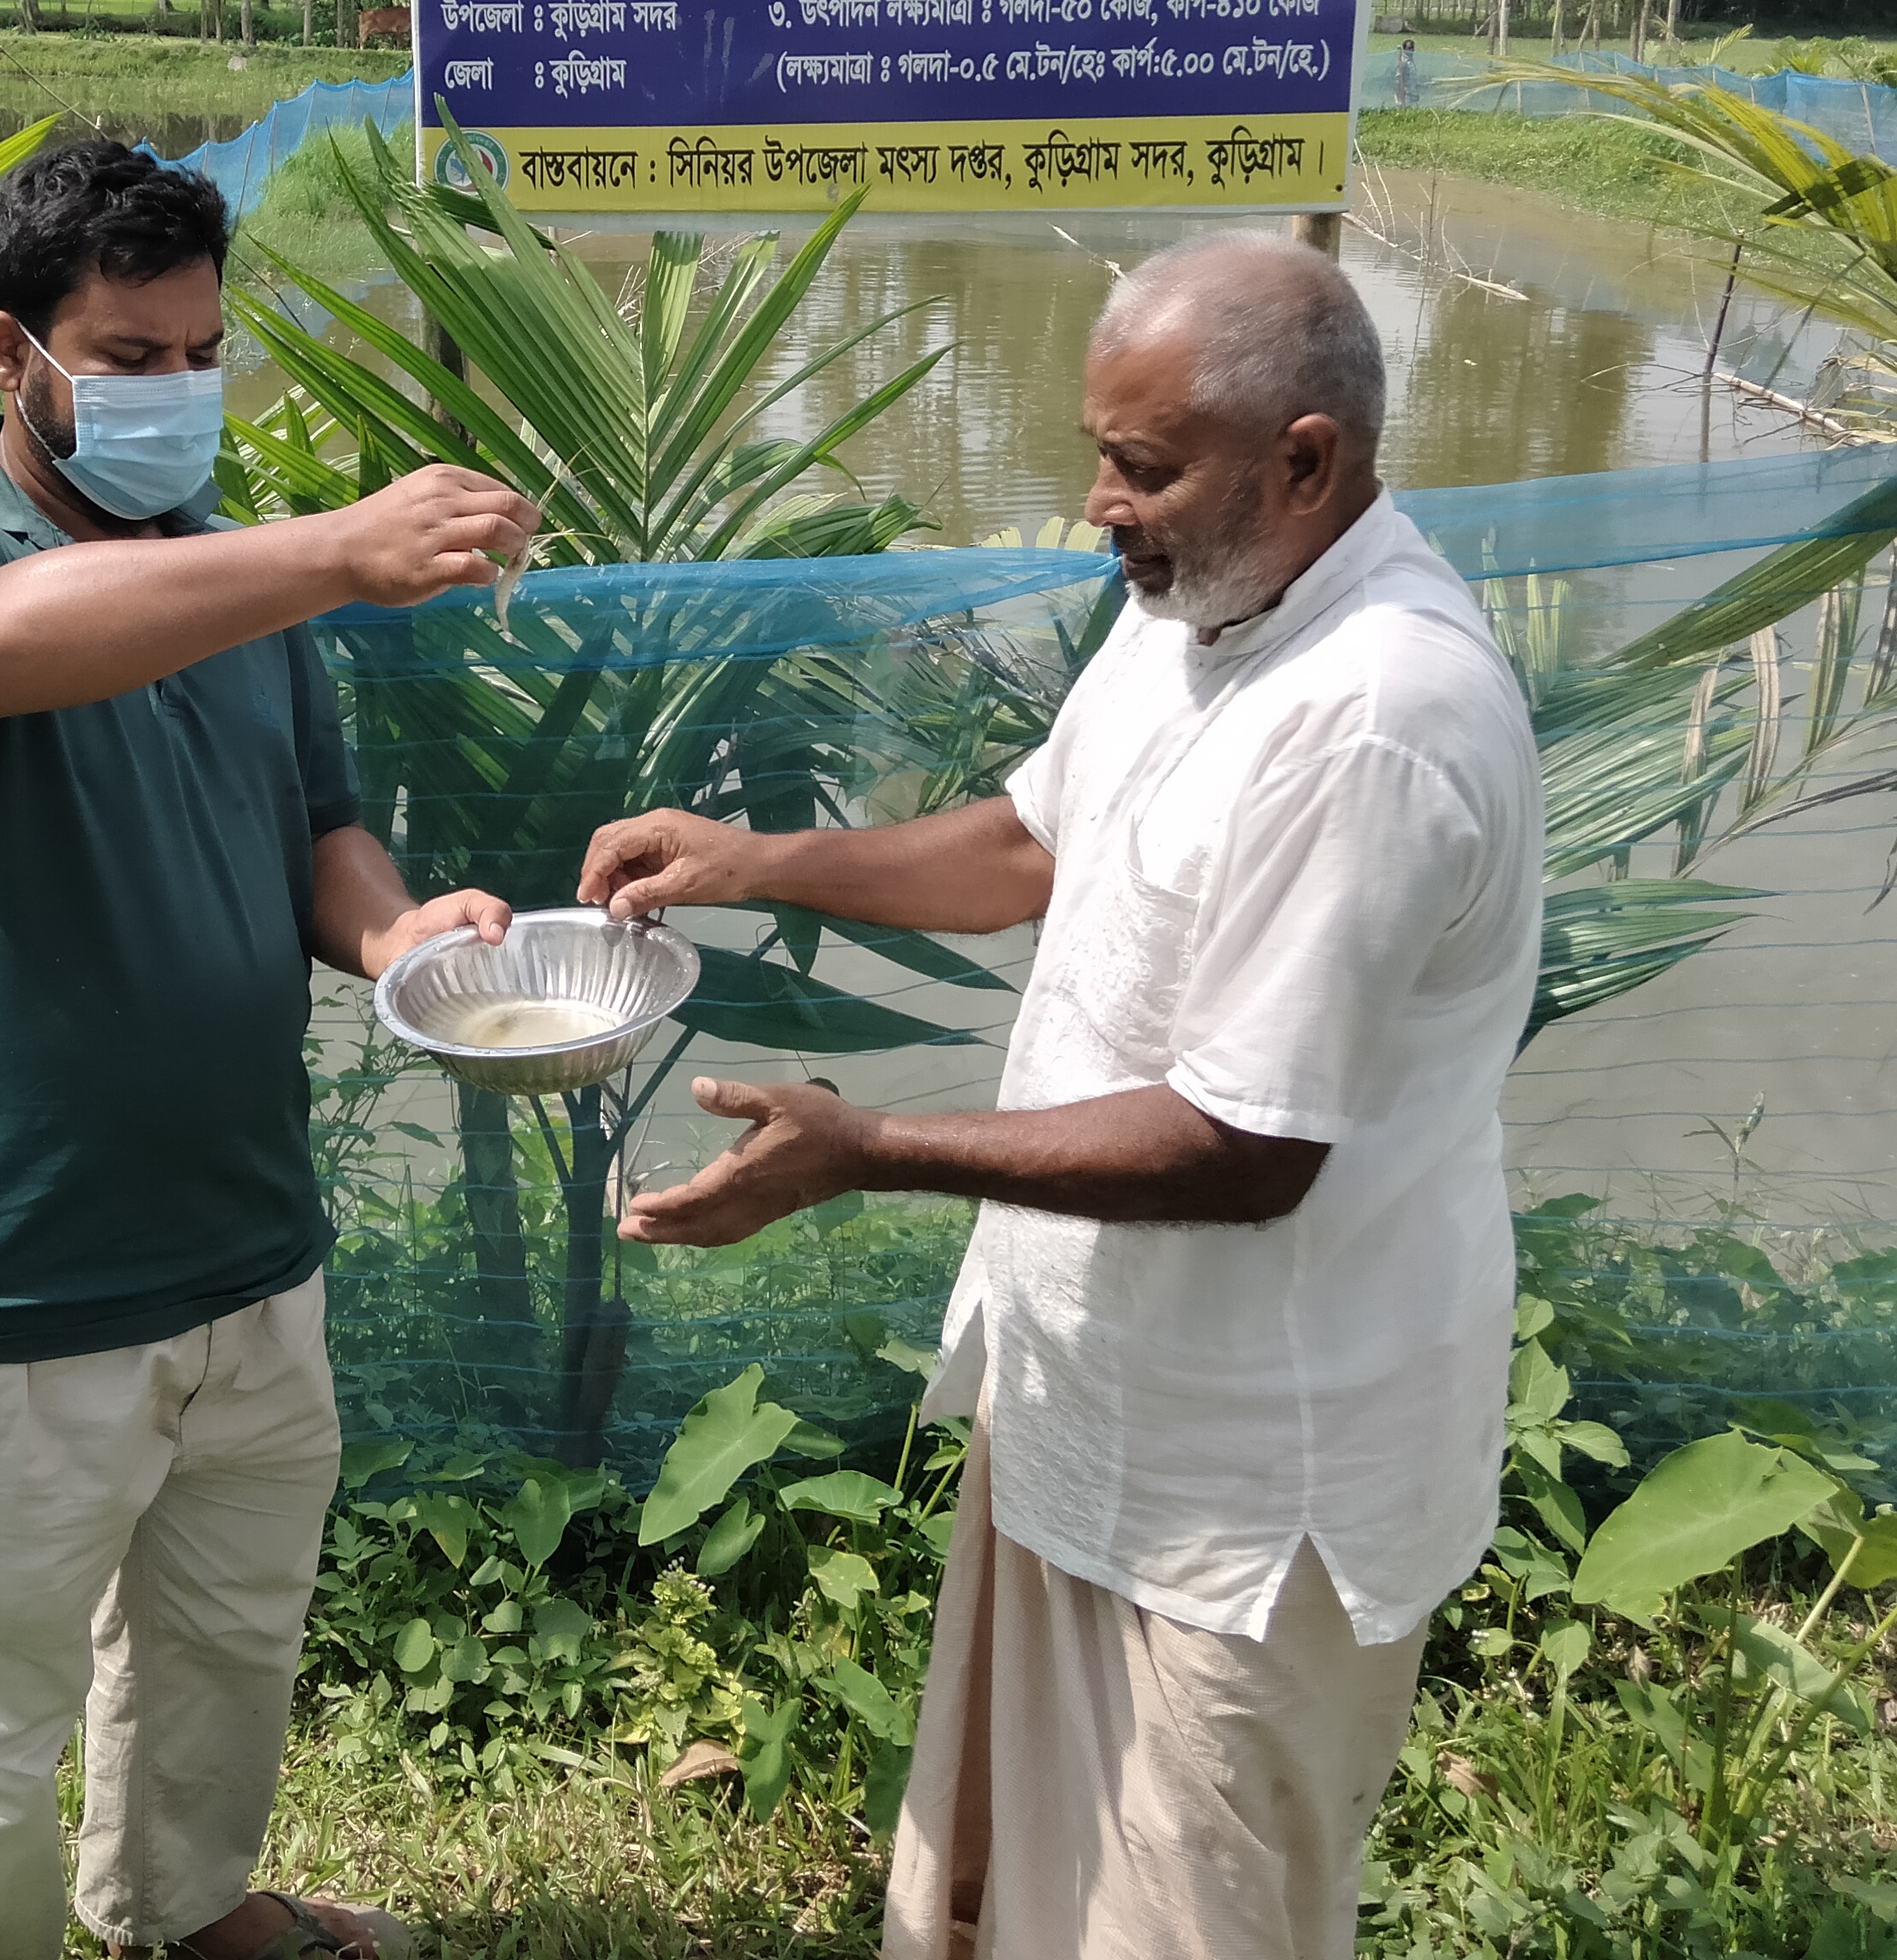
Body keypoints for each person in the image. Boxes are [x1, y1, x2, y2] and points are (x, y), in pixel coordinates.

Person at [580, 235, 1541, 1960]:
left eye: (1141, 465)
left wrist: (864, 1148)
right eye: (1102, 451)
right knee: (1020, 1889)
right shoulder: (1198, 606)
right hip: (1094, 1395)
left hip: (1251, 1487)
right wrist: (759, 860)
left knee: (1185, 1911)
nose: (1098, 501)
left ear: (1305, 459)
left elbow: (1247, 1146)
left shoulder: (1375, 717)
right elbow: (1032, 840)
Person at [0, 138, 537, 1960]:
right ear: (13, 357)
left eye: (203, 352)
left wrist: (396, 935)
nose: (177, 391)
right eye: (130, 358)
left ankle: (182, 1911)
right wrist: (330, 552)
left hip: (243, 1249)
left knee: (224, 1647)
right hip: (10, 1289)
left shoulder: (241, 584)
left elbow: (315, 826)